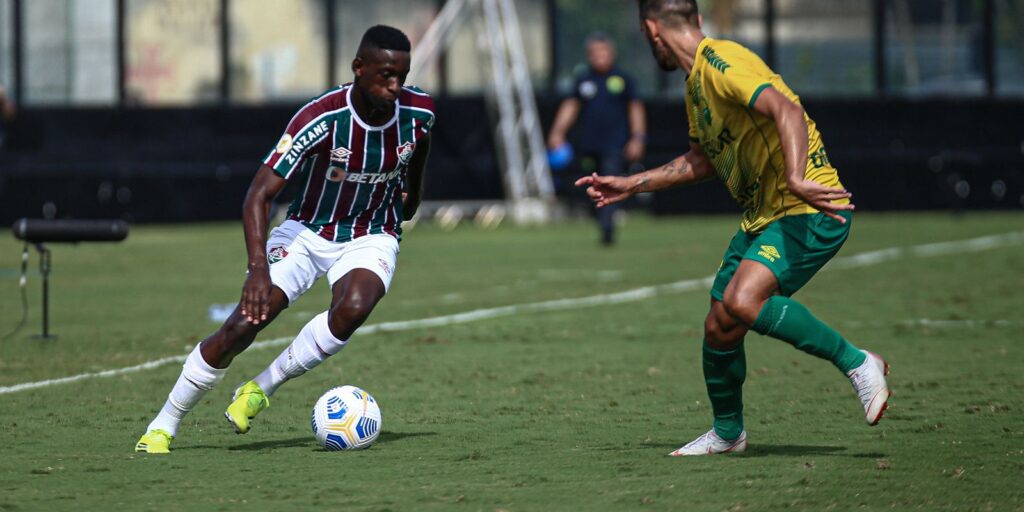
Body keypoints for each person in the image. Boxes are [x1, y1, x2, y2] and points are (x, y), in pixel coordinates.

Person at [576, 0, 890, 456]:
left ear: (650, 30)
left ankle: (859, 363)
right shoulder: (695, 87)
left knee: (743, 301)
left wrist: (799, 176)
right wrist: (632, 184)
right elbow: (701, 160)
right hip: (765, 215)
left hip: (810, 208)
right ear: (696, 19)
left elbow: (787, 110)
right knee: (720, 323)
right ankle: (728, 434)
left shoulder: (722, 61)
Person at [135, 25, 435, 453]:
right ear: (358, 68)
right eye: (386, 75)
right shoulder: (321, 117)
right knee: (243, 325)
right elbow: (257, 195)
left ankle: (261, 388)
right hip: (307, 231)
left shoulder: (418, 110)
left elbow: (419, 152)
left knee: (352, 308)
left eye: (402, 76)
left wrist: (413, 197)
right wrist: (257, 270)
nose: (395, 86)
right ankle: (163, 425)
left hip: (373, 231)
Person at [548, 33, 646, 246]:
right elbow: (570, 107)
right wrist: (557, 132)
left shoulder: (623, 79)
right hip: (589, 145)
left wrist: (637, 138)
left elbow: (635, 109)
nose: (600, 57)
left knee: (609, 185)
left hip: (615, 145)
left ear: (611, 54)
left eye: (604, 52)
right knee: (590, 187)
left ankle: (607, 227)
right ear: (589, 56)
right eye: (595, 53)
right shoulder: (584, 80)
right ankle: (602, 221)